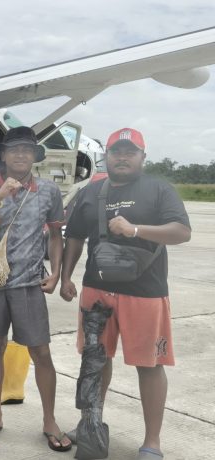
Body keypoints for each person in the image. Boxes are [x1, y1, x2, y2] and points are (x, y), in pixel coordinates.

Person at [60, 128, 191, 460]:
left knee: (149, 364)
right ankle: (90, 424)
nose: (122, 156)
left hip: (145, 294)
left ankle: (152, 442)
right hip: (96, 290)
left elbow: (181, 231)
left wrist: (135, 230)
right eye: (117, 151)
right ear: (108, 155)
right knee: (95, 361)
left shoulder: (160, 189)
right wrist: (65, 277)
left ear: (143, 157)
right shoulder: (91, 192)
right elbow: (73, 237)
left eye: (130, 152)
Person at [0, 126, 71, 451]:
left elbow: (55, 236)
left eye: (27, 149)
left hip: (29, 284)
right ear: (4, 156)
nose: (21, 154)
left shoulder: (49, 191)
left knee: (41, 352)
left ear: (34, 155)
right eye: (14, 149)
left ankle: (50, 420)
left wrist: (55, 274)